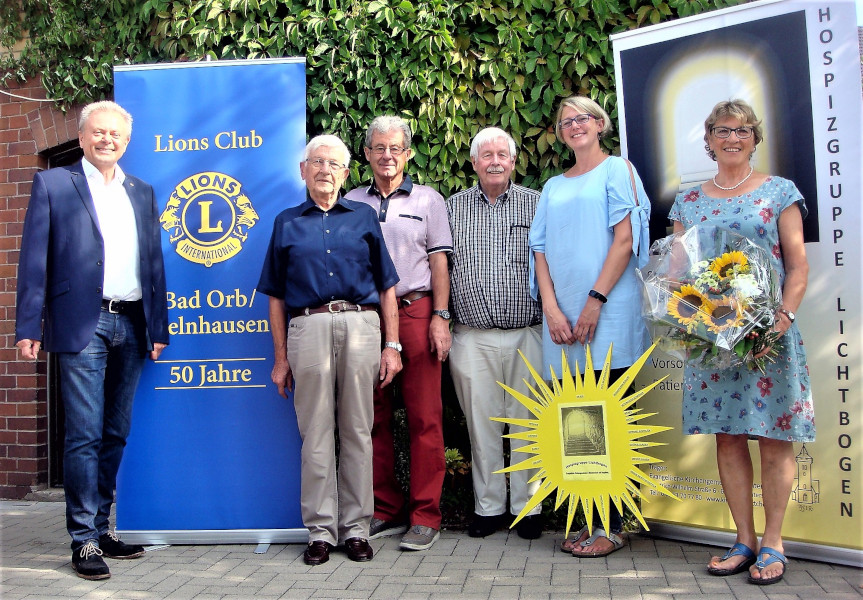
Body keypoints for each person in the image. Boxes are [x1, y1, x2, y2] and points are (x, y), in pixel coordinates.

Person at [15, 100, 169, 580]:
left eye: (116, 134)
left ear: (127, 142)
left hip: (132, 322)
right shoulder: (54, 183)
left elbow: (153, 264)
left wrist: (158, 327)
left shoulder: (140, 192)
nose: (107, 140)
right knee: (83, 433)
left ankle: (101, 528)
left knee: (115, 432)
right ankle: (82, 540)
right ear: (82, 138)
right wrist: (27, 327)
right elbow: (33, 260)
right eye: (98, 132)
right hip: (83, 323)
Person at [669, 99, 813, 586]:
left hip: (770, 337)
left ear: (755, 138)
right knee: (727, 437)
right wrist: (684, 316)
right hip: (713, 340)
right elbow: (676, 272)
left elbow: (797, 265)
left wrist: (783, 318)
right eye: (722, 130)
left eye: (743, 130)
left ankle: (773, 541)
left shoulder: (779, 192)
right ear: (708, 140)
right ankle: (743, 539)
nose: (733, 138)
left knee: (774, 438)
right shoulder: (687, 202)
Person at [257, 135, 402, 566]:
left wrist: (391, 345)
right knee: (315, 435)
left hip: (361, 325)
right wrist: (281, 358)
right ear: (303, 170)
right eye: (316, 162)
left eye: (333, 163)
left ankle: (356, 529)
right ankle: (320, 531)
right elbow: (276, 297)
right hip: (308, 327)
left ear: (346, 172)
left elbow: (387, 286)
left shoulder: (362, 218)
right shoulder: (286, 222)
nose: (324, 170)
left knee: (358, 430)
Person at [529, 95, 651, 557]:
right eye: (565, 121)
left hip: (609, 312)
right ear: (560, 133)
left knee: (611, 416)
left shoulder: (618, 170)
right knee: (575, 420)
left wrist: (594, 301)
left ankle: (612, 527)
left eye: (582, 118)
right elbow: (538, 249)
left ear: (599, 124)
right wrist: (553, 309)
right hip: (560, 320)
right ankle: (586, 521)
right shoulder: (553, 186)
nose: (574, 126)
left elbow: (625, 241)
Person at [345, 116, 451, 551]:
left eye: (396, 148)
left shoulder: (429, 200)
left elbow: (440, 262)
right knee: (371, 417)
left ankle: (426, 515)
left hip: (416, 311)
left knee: (425, 417)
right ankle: (385, 508)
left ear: (408, 154)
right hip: (366, 318)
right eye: (379, 148)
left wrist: (441, 316)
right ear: (366, 155)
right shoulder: (350, 200)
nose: (387, 155)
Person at [445, 127, 544, 540]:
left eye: (502, 153)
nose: (495, 161)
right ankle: (488, 508)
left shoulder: (537, 204)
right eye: (486, 155)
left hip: (530, 332)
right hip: (471, 335)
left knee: (529, 423)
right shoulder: (451, 208)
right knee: (481, 425)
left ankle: (529, 508)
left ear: (514, 160)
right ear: (473, 163)